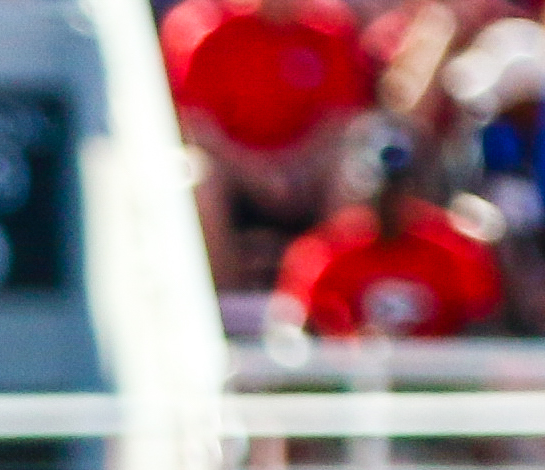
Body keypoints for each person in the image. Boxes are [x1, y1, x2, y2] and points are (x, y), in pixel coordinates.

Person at [163, 0, 371, 286]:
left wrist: (294, 168)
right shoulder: (204, 26)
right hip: (234, 173)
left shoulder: (331, 26)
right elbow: (198, 126)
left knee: (353, 176)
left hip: (304, 172)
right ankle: (223, 299)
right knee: (195, 176)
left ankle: (331, 295)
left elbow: (338, 120)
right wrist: (258, 174)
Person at [271, 139, 504, 337]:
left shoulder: (452, 248)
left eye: (398, 190)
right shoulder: (326, 250)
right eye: (383, 193)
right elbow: (296, 326)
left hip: (433, 376)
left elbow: (481, 324)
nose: (391, 203)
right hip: (352, 377)